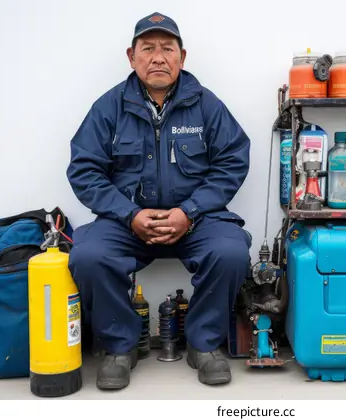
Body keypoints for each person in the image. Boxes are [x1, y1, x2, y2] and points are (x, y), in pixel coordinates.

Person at [66, 12, 251, 390]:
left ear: (182, 57)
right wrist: (128, 213)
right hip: (128, 223)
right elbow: (84, 170)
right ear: (131, 57)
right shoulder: (108, 108)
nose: (158, 57)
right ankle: (120, 346)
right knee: (87, 256)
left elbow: (233, 160)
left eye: (167, 49)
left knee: (231, 253)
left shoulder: (206, 105)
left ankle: (204, 344)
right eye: (147, 48)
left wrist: (191, 210)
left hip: (197, 220)